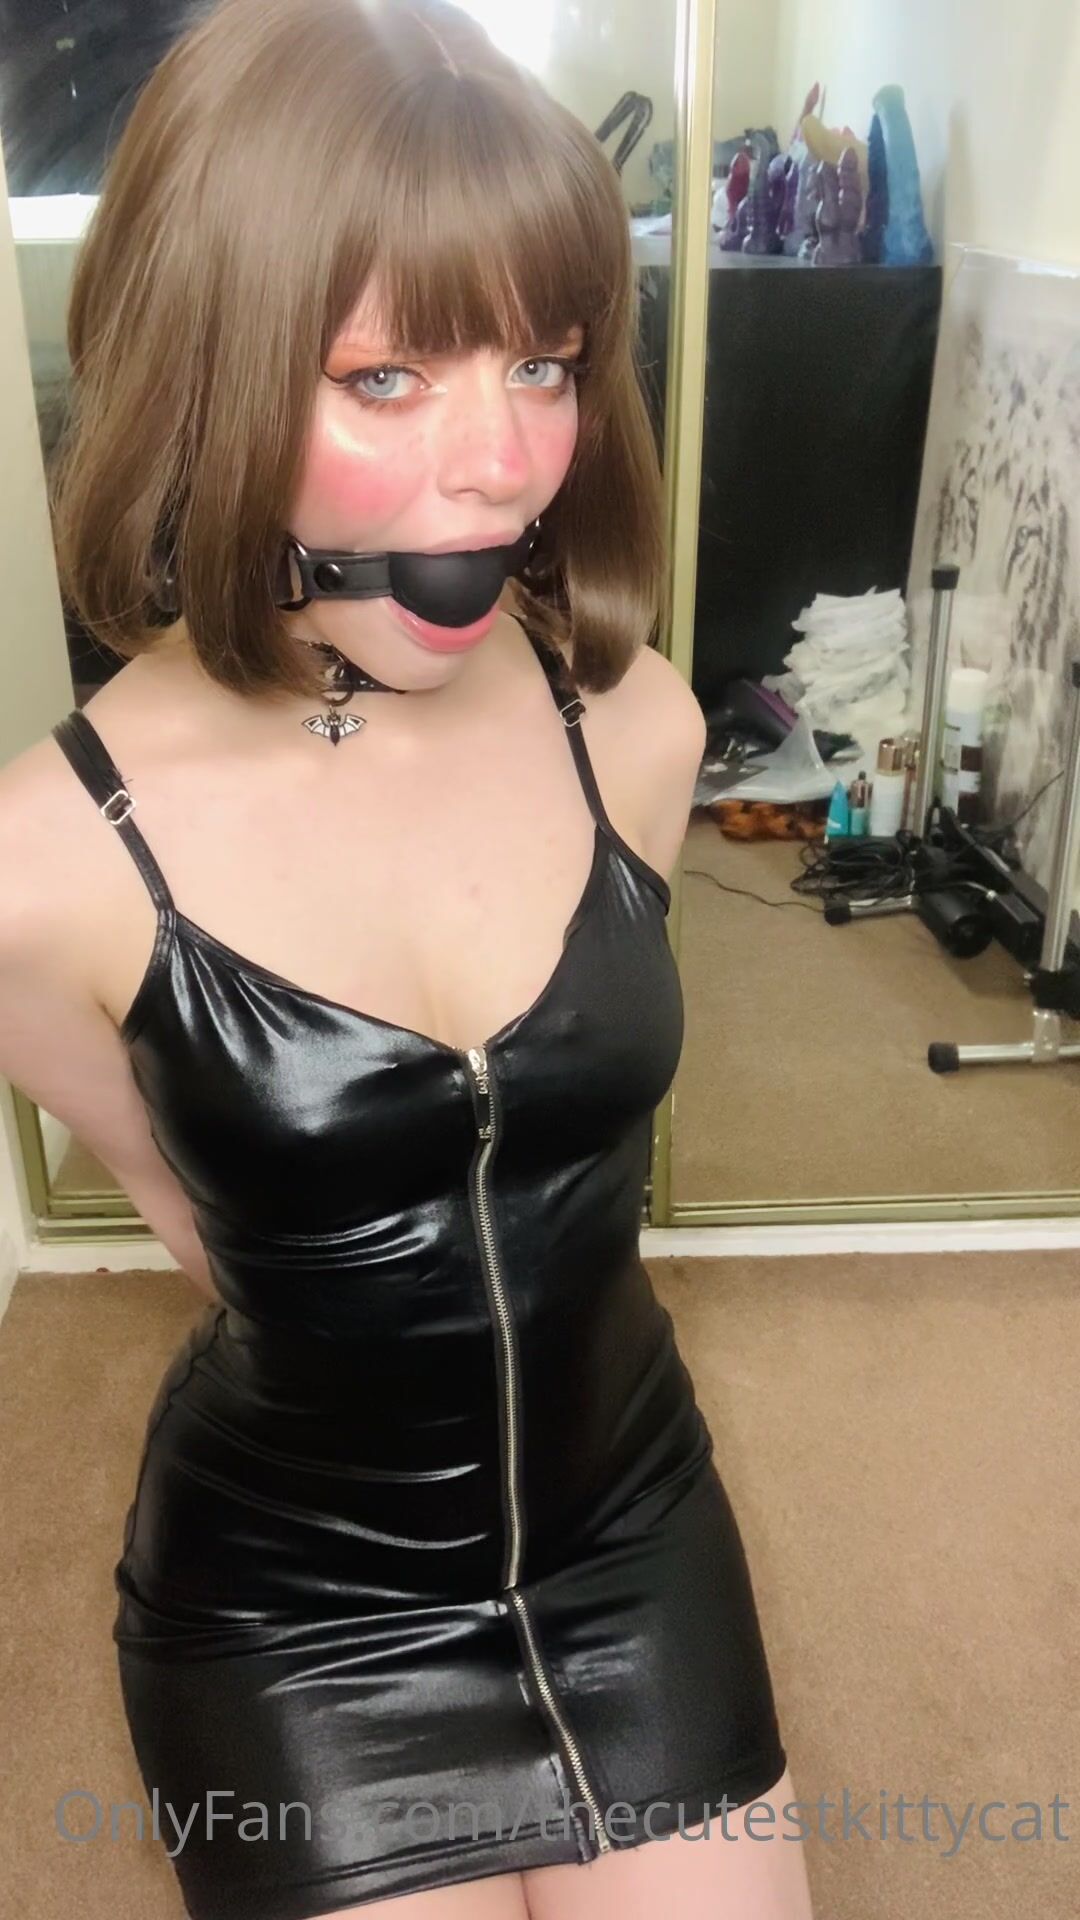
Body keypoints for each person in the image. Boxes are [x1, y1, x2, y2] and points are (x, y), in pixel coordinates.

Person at [0, 2, 814, 1916]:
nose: (504, 467)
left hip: (636, 1532)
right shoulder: (43, 867)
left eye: (544, 362)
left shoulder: (641, 730)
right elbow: (197, 1222)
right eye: (384, 378)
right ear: (204, 369)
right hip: (301, 1616)